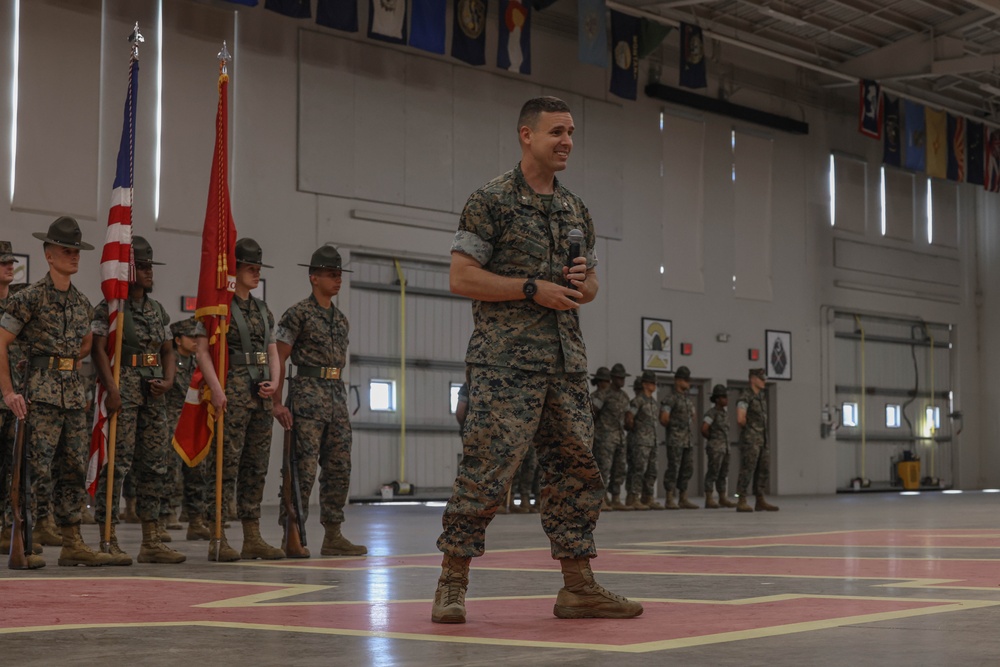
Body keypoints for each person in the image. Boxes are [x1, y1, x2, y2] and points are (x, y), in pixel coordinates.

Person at [432, 96, 642, 624]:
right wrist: (530, 288)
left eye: (571, 132)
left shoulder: (576, 210)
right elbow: (461, 278)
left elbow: (590, 284)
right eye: (556, 132)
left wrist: (581, 286)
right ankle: (452, 583)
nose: (566, 141)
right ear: (527, 135)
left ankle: (578, 586)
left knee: (575, 472)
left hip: (565, 364)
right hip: (505, 364)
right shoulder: (491, 201)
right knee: (485, 472)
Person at [0, 217, 112, 567]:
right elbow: (1, 343)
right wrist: (8, 392)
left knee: (73, 469)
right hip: (39, 397)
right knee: (34, 470)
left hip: (73, 396)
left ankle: (72, 540)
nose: (74, 256)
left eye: (77, 251)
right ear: (48, 255)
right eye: (67, 250)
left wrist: (64, 362)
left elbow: (84, 346)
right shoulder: (29, 298)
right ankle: (26, 540)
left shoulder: (82, 302)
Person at [92, 236, 183, 565]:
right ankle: (108, 536)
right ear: (127, 270)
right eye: (141, 267)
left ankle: (151, 539)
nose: (148, 273)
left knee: (155, 465)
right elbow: (98, 349)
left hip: (153, 391)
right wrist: (111, 389)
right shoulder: (111, 308)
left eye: (149, 267)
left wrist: (170, 379)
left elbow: (168, 349)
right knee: (117, 464)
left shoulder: (158, 310)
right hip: (124, 390)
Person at [273, 244, 367, 558]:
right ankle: (293, 532)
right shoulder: (297, 313)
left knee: (339, 467)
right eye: (330, 275)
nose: (337, 280)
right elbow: (279, 358)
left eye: (339, 274)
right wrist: (277, 402)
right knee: (303, 469)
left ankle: (334, 534)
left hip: (336, 396)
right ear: (314, 278)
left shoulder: (340, 320)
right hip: (307, 396)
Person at [196, 238, 285, 562]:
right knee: (225, 466)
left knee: (255, 467)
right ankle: (217, 535)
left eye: (258, 268)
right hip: (231, 396)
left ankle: (252, 536)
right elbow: (202, 350)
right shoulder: (219, 308)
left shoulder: (263, 310)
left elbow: (272, 350)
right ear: (235, 269)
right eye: (250, 268)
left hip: (260, 397)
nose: (256, 273)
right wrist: (217, 390)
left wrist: (275, 383)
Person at [166, 317, 211, 540]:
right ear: (177, 339)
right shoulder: (170, 360)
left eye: (197, 336)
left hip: (192, 421)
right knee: (170, 472)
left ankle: (195, 520)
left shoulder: (199, 363)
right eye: (190, 337)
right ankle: (168, 514)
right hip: (172, 421)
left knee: (197, 471)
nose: (195, 340)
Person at [736, 368, 779, 512]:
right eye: (761, 378)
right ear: (753, 379)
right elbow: (740, 419)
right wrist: (750, 430)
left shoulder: (761, 397)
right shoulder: (745, 396)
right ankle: (741, 499)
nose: (764, 381)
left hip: (762, 440)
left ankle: (760, 500)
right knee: (747, 469)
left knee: (763, 470)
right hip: (751, 440)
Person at [659, 366, 698, 510]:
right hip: (675, 440)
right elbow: (663, 419)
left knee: (688, 468)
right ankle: (670, 498)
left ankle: (683, 498)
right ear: (678, 380)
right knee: (673, 468)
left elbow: (693, 418)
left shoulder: (688, 400)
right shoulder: (670, 399)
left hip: (687, 440)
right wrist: (676, 426)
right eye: (686, 380)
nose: (688, 383)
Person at [624, 371, 659, 511]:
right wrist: (636, 431)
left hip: (652, 441)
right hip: (640, 441)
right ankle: (633, 497)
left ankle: (648, 497)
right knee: (638, 469)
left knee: (652, 470)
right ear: (645, 384)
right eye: (652, 383)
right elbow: (629, 417)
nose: (654, 385)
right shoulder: (637, 401)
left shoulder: (653, 403)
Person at [702, 384, 736, 509]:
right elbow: (704, 429)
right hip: (716, 448)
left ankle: (722, 498)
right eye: (723, 397)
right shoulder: (711, 413)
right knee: (713, 472)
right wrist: (713, 440)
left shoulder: (725, 414)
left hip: (726, 448)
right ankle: (709, 499)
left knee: (723, 474)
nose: (726, 399)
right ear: (717, 399)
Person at [602, 363, 631, 510]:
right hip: (605, 438)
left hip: (620, 437)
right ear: (612, 378)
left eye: (623, 378)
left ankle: (616, 498)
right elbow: (593, 413)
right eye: (619, 378)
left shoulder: (624, 396)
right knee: (604, 469)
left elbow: (627, 416)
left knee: (619, 469)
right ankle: (601, 499)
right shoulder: (603, 394)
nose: (622, 381)